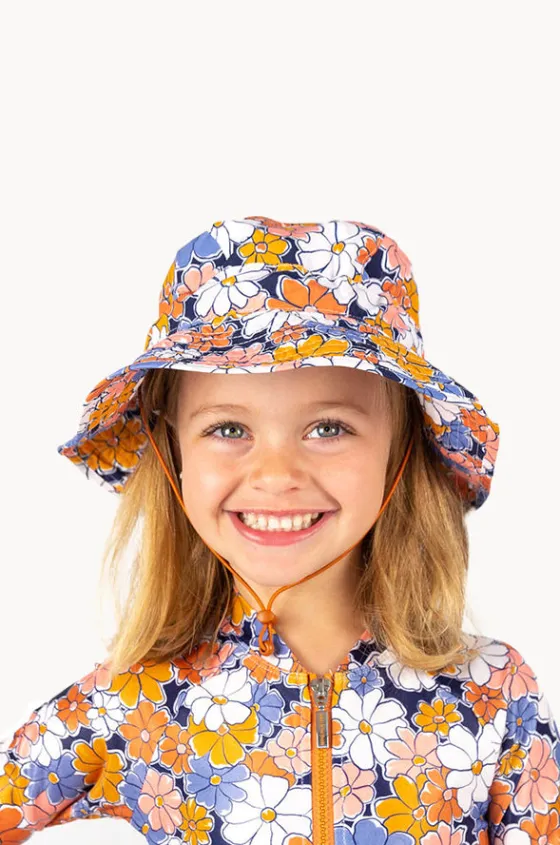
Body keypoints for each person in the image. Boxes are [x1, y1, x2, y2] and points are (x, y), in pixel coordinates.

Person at [1, 216, 558, 845]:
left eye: (329, 428)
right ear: (173, 453)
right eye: (228, 429)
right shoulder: (121, 706)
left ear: (401, 449)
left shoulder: (494, 697)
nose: (275, 475)